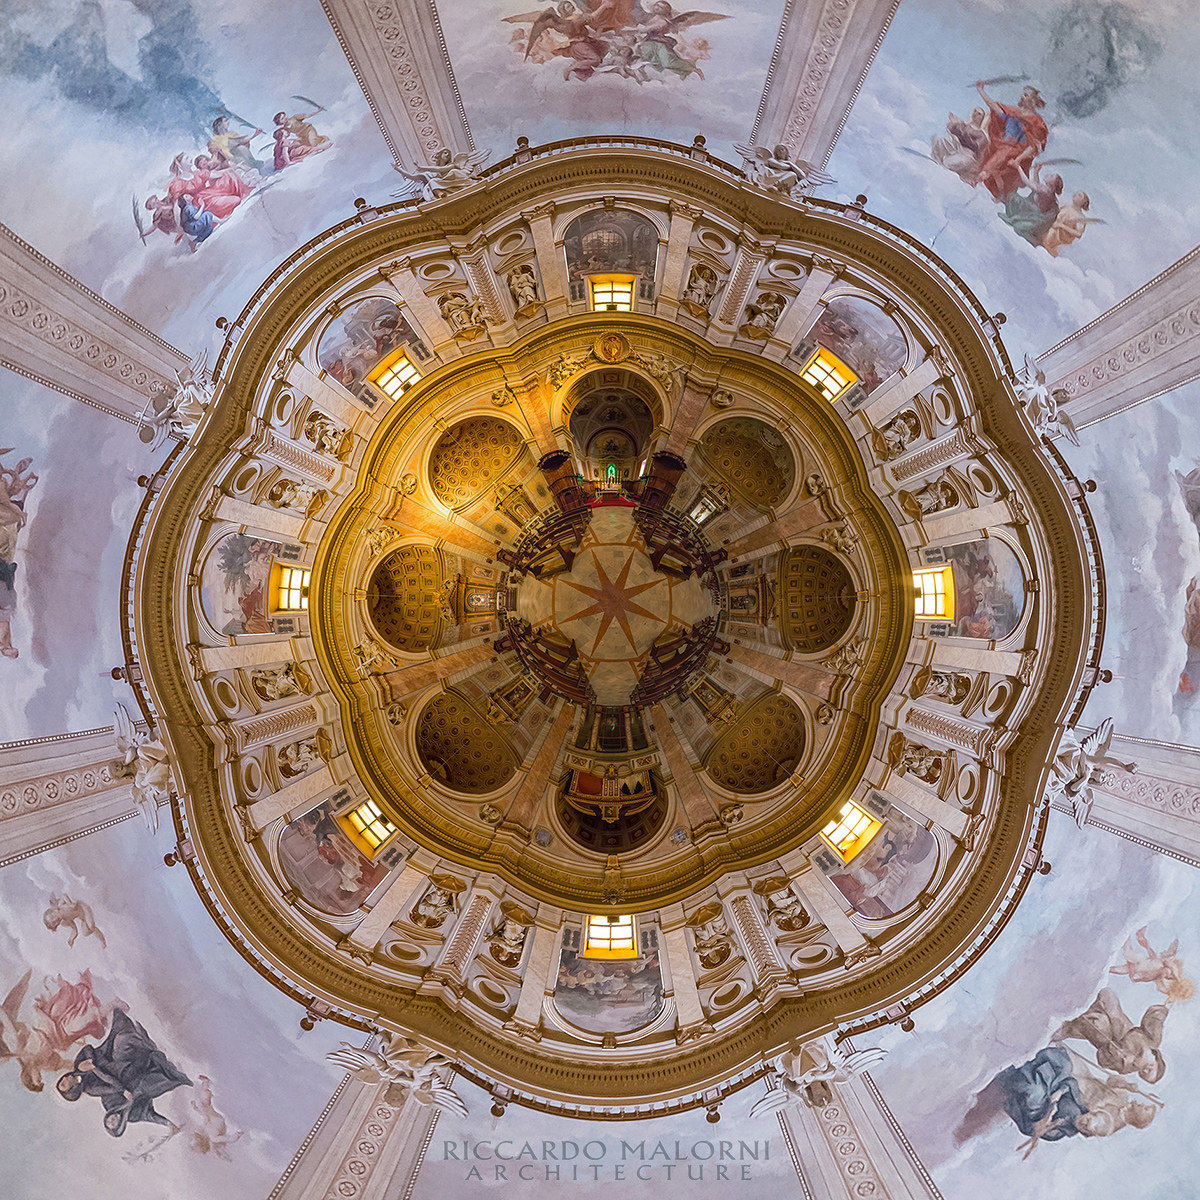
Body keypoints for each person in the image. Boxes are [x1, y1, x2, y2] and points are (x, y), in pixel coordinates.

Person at [56, 1009, 192, 1137]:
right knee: (148, 1081)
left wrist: (89, 1066)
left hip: (114, 1063)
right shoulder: (129, 1114)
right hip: (129, 1077)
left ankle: (145, 1039)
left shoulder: (79, 1068)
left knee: (122, 1040)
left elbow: (89, 1050)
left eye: (62, 1082)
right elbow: (149, 1115)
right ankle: (160, 1061)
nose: (113, 1119)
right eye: (114, 1123)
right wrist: (168, 1124)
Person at [974, 82, 1049, 203]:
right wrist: (981, 90)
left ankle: (979, 178)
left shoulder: (1036, 122)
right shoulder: (1013, 112)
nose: (1023, 97)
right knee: (990, 150)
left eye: (1026, 95)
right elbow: (993, 106)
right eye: (1024, 95)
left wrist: (1018, 159)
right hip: (1002, 143)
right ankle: (992, 186)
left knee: (1002, 155)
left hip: (1017, 151)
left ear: (1034, 102)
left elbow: (1033, 146)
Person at [1042, 191, 1103, 256]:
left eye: (1079, 195)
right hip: (1049, 230)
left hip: (1059, 239)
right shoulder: (1066, 206)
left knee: (1049, 238)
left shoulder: (1080, 217)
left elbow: (1078, 234)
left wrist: (1062, 226)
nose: (1076, 194)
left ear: (1083, 202)